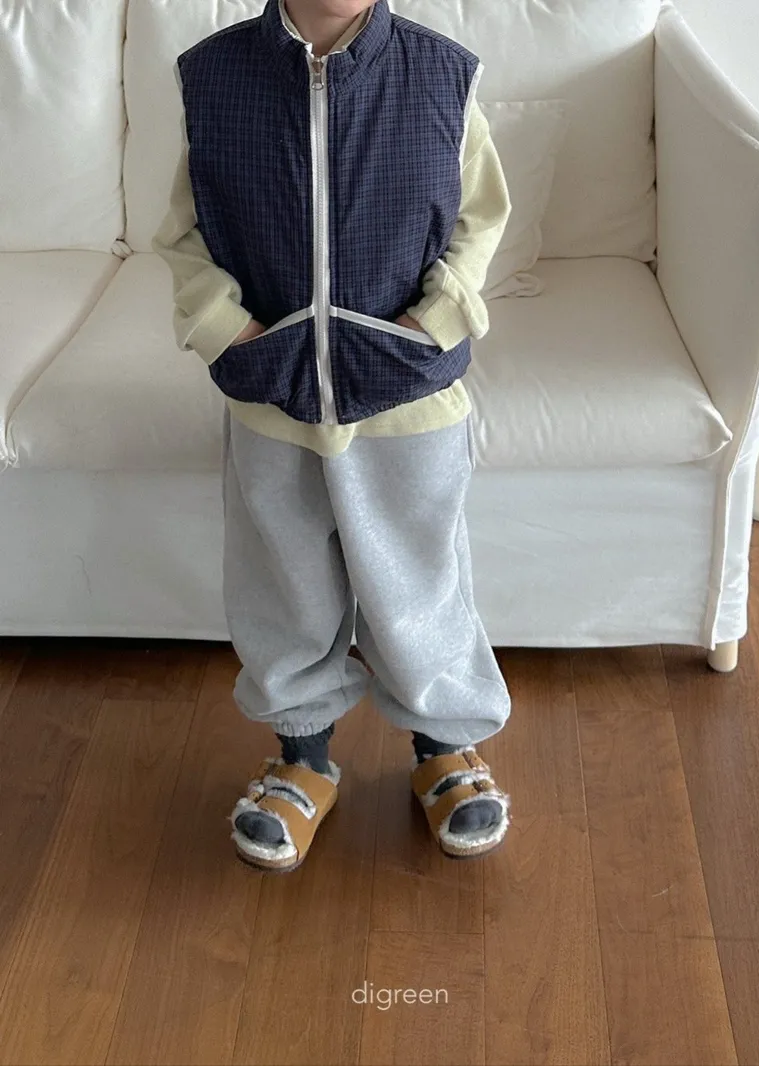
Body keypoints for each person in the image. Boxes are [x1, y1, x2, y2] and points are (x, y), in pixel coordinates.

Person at [153, 0, 513, 872]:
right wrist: (229, 332)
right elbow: (184, 232)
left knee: (418, 577)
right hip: (271, 395)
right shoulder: (214, 78)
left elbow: (480, 219)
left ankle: (444, 746)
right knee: (282, 580)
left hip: (407, 396)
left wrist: (434, 325)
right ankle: (302, 757)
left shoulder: (442, 75)